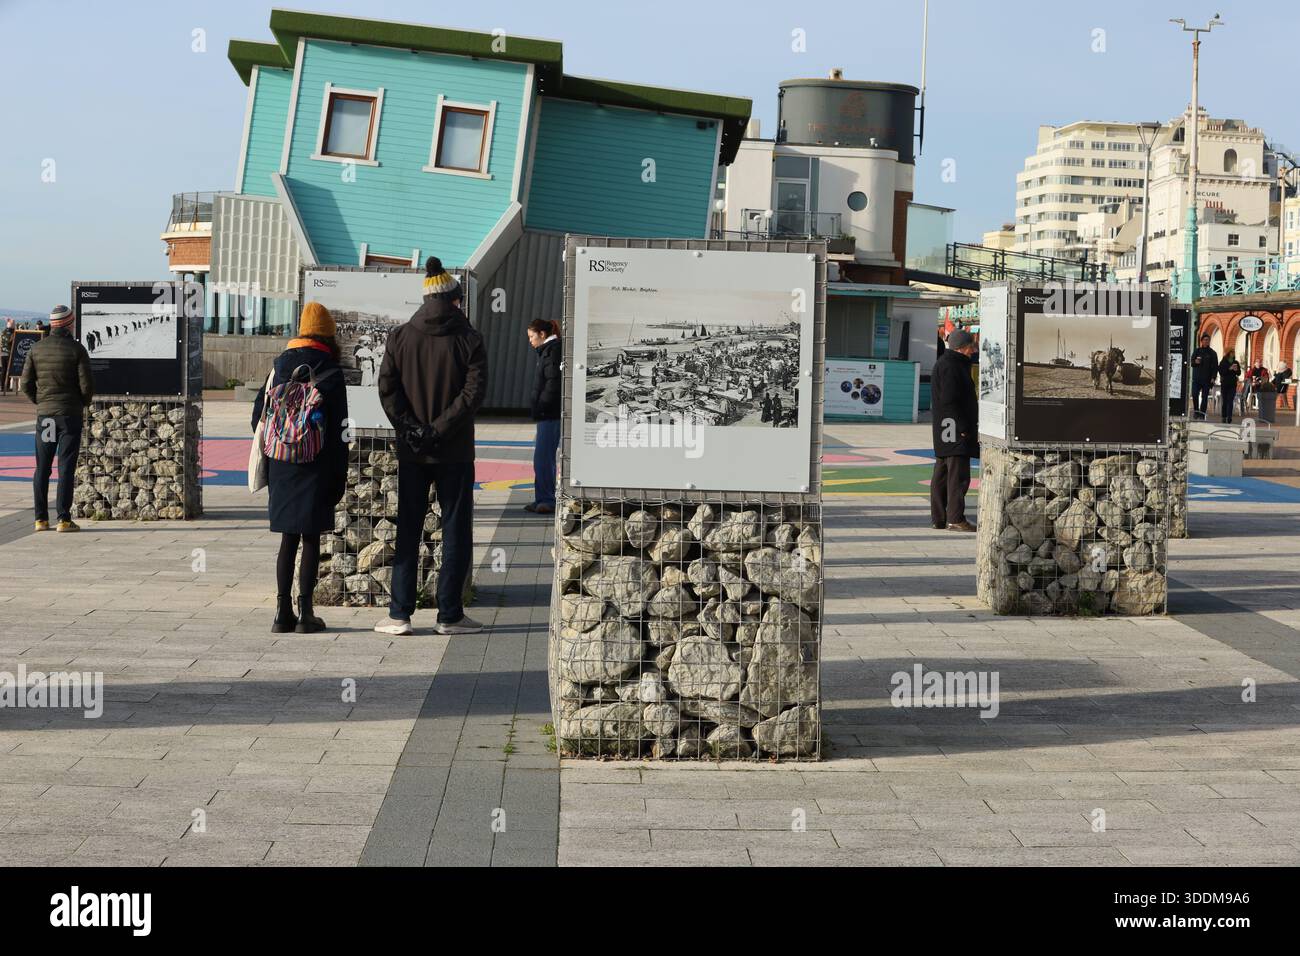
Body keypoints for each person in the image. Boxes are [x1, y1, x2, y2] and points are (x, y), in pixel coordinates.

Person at [376, 257, 487, 637]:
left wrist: (413, 430)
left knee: (408, 526)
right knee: (455, 528)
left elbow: (388, 391)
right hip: (454, 451)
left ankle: (399, 614)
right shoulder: (470, 339)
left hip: (412, 451)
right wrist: (439, 430)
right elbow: (472, 395)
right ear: (456, 299)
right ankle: (449, 615)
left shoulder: (400, 337)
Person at [251, 302, 349, 634]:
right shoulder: (332, 373)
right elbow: (340, 432)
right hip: (316, 464)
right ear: (328, 335)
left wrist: (281, 444)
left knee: (288, 538)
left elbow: (258, 418)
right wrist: (339, 476)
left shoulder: (278, 368)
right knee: (310, 538)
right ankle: (306, 612)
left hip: (282, 463)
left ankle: (281, 613)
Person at [20, 305, 94, 532]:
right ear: (69, 324)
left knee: (42, 467)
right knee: (66, 467)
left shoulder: (36, 349)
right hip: (69, 416)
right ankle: (63, 518)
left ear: (52, 324)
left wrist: (40, 402)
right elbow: (86, 386)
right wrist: (81, 403)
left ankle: (40, 519)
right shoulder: (77, 349)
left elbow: (25, 384)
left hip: (46, 417)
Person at [930, 328, 978, 532]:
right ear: (962, 347)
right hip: (955, 430)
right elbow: (950, 399)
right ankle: (955, 519)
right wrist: (964, 428)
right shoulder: (953, 366)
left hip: (944, 428)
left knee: (941, 475)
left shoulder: (944, 362)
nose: (973, 351)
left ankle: (939, 518)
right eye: (971, 347)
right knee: (958, 477)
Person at [525, 318, 561, 515]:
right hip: (548, 413)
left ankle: (547, 499)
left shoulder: (553, 351)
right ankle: (543, 497)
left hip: (550, 413)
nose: (530, 341)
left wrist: (541, 406)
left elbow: (552, 384)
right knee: (544, 457)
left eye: (531, 336)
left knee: (543, 458)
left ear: (542, 334)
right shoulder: (548, 351)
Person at [1189, 333, 1217, 420]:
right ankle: (1196, 411)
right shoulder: (1197, 351)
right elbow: (1192, 363)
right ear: (1201, 341)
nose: (1206, 341)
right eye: (1205, 340)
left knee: (1204, 397)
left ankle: (1202, 413)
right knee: (1194, 394)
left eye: (1208, 340)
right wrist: (1195, 362)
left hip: (1207, 379)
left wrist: (1213, 377)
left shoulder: (1212, 353)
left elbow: (1215, 366)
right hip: (1196, 378)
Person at [1218, 350, 1241, 424]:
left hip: (1232, 384)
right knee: (1225, 401)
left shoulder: (1235, 362)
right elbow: (1221, 372)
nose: (1233, 354)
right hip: (1225, 383)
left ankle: (1229, 417)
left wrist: (1236, 370)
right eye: (1231, 353)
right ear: (1228, 353)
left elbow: (1239, 373)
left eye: (1234, 353)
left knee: (1230, 400)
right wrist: (1229, 369)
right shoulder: (1223, 362)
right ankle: (1224, 416)